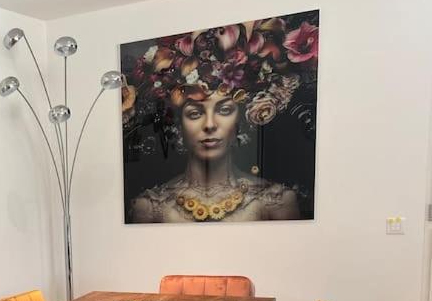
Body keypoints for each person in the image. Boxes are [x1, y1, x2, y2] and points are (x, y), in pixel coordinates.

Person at [123, 16, 318, 223]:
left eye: (224, 110)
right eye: (195, 114)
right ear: (179, 124)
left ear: (240, 121)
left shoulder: (275, 202)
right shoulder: (150, 207)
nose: (209, 125)